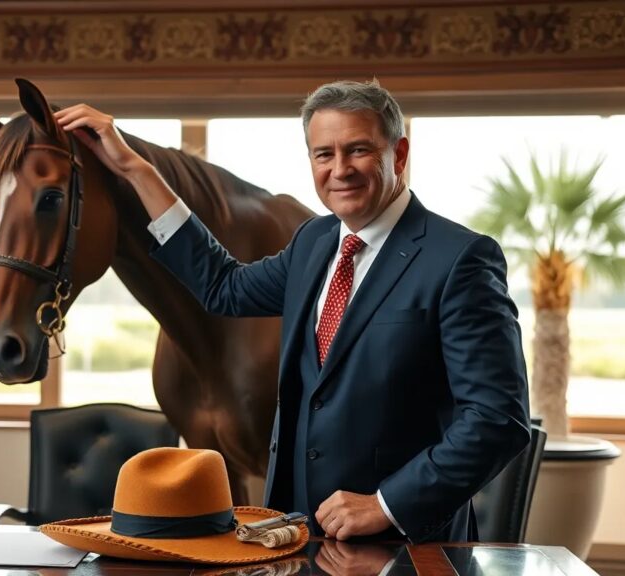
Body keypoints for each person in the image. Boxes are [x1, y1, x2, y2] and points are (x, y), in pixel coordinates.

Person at [54, 79, 530, 543]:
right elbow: (223, 287)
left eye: (358, 150)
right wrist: (136, 170)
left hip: (406, 547)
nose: (340, 169)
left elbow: (497, 419)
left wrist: (385, 504)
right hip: (299, 538)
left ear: (398, 155)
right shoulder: (312, 243)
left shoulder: (460, 258)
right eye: (324, 154)